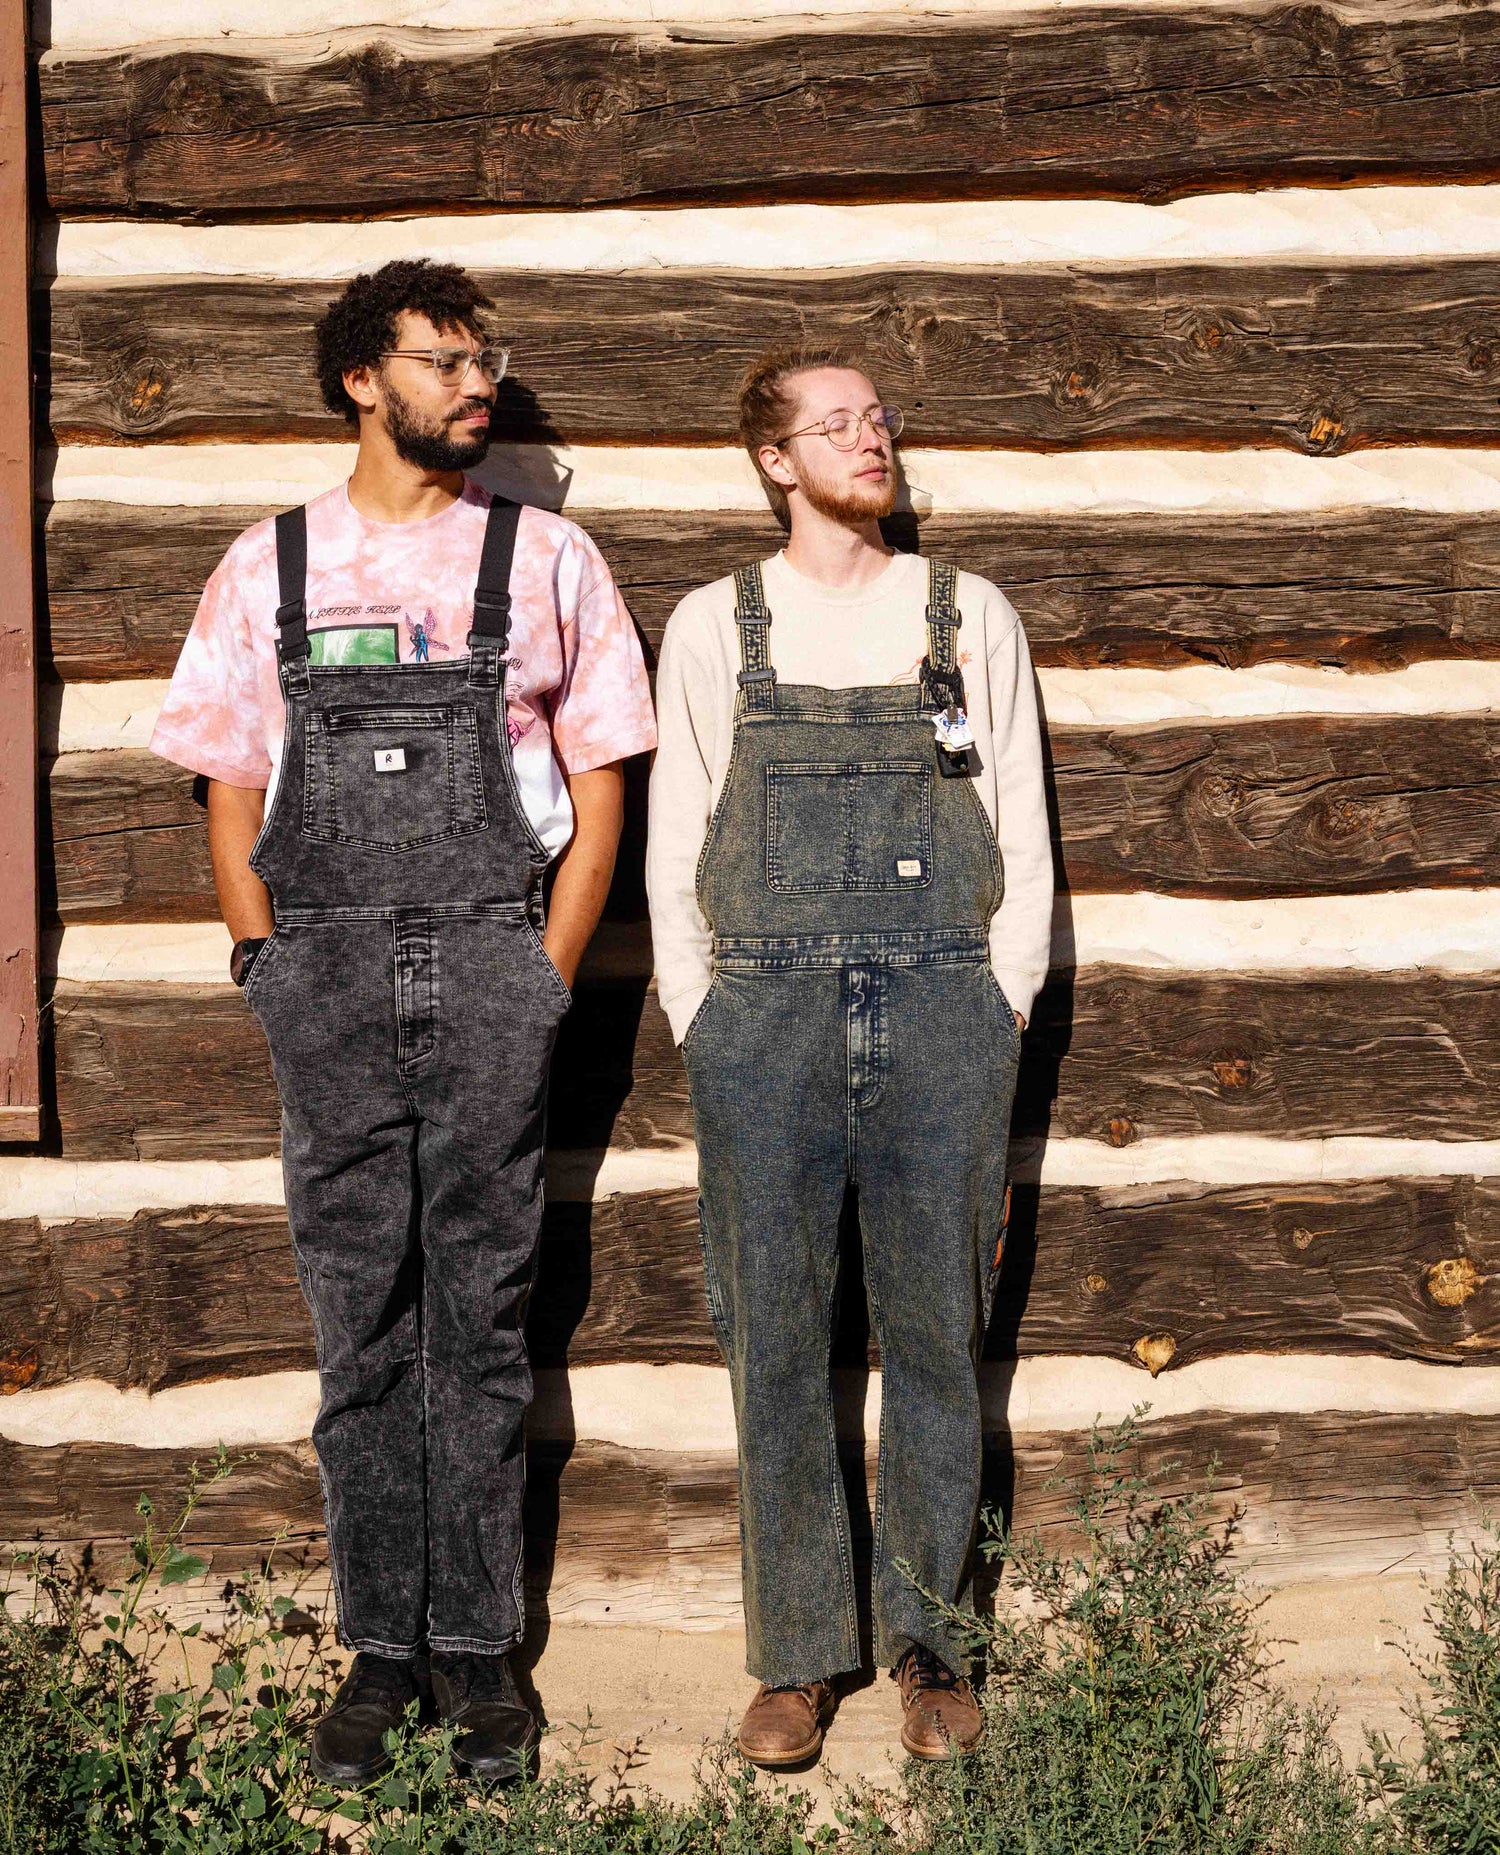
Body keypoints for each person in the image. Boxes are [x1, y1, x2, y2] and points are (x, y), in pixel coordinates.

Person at [150, 259, 656, 1785]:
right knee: (359, 1321)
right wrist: (266, 958)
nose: (473, 384)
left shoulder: (548, 555)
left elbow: (602, 774)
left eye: (482, 361)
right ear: (362, 380)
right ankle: (379, 1650)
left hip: (495, 964)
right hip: (328, 976)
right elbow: (230, 778)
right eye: (440, 361)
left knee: (484, 1323)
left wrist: (548, 967)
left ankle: (479, 1650)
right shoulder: (270, 566)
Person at [646, 344, 1052, 1766]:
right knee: (774, 1338)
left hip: (948, 999)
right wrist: (701, 1007)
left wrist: (1005, 988)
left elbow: (1018, 816)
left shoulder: (965, 612)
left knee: (940, 1332)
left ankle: (935, 1644)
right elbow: (678, 831)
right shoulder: (717, 624)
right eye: (837, 424)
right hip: (761, 1015)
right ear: (773, 459)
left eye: (879, 419)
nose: (870, 439)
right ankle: (800, 1656)